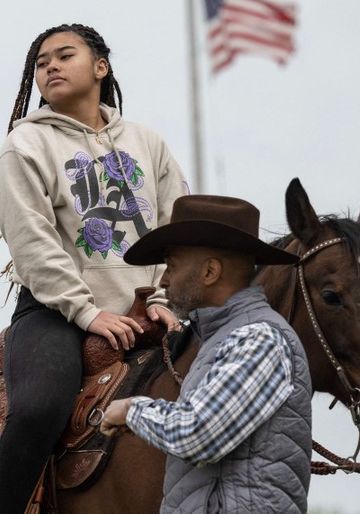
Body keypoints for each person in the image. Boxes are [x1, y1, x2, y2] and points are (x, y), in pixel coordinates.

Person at [0, 23, 189, 512]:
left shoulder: (148, 142)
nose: (50, 66)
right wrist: (87, 313)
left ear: (101, 68)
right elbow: (31, 241)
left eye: (64, 55)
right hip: (57, 311)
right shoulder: (25, 145)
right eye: (41, 62)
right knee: (37, 412)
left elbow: (177, 228)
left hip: (152, 307)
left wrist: (165, 298)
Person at [101, 195, 313, 513]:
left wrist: (132, 410)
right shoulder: (227, 338)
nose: (163, 280)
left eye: (171, 266)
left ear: (210, 271)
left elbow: (200, 433)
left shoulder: (257, 338)